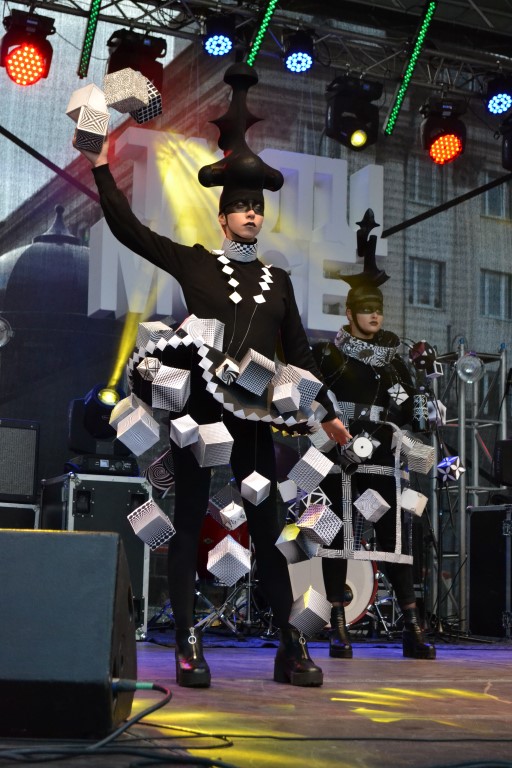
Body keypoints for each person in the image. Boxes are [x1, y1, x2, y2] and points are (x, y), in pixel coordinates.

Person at [73, 73, 351, 688]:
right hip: (199, 415)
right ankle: (187, 641)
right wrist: (99, 166)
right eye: (242, 208)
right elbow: (130, 231)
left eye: (258, 208)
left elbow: (301, 355)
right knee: (190, 513)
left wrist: (328, 410)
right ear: (223, 218)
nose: (252, 214)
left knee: (270, 529)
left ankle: (290, 646)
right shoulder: (196, 263)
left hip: (252, 420)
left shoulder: (279, 282)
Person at [312, 280, 436, 661]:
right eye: (366, 308)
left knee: (393, 539)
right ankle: (337, 625)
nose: (375, 315)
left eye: (378, 308)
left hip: (382, 458)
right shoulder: (328, 355)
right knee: (335, 537)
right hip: (338, 455)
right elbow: (307, 400)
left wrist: (423, 398)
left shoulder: (393, 365)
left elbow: (410, 413)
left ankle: (412, 627)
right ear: (349, 313)